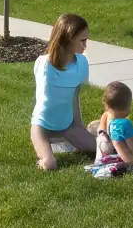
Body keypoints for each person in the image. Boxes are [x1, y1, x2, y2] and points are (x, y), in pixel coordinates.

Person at [30, 13, 97, 170]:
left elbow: (74, 97)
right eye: (82, 41)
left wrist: (79, 128)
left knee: (104, 151)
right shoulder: (44, 65)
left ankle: (93, 129)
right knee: (49, 164)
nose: (85, 46)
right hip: (42, 126)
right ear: (68, 39)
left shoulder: (82, 63)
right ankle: (45, 151)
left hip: (68, 126)